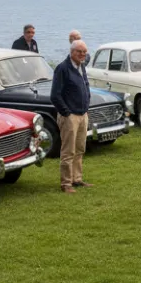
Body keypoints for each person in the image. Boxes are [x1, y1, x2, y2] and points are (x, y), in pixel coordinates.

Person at [50, 39, 91, 193]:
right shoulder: (62, 68)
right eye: (79, 52)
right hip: (70, 116)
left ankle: (77, 179)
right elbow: (55, 95)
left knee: (80, 148)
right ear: (72, 52)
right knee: (68, 151)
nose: (82, 54)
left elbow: (85, 86)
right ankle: (66, 183)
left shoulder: (82, 67)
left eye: (84, 52)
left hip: (82, 114)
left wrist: (86, 106)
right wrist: (66, 113)